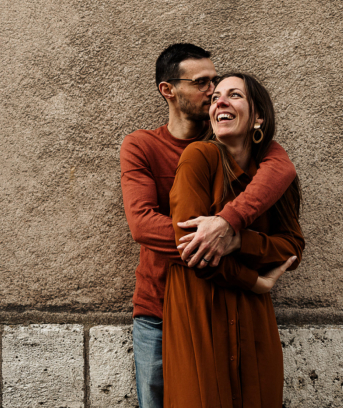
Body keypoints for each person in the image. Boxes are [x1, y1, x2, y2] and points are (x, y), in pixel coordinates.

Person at [120, 44, 298, 408]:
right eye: (204, 84)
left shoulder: (238, 145)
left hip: (223, 303)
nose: (212, 93)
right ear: (168, 90)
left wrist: (229, 228)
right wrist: (211, 245)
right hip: (158, 306)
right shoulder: (143, 145)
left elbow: (282, 171)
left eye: (218, 84)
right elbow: (142, 225)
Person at [163, 73, 304, 408]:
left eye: (234, 95)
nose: (220, 102)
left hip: (254, 323)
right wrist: (254, 281)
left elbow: (293, 246)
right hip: (199, 310)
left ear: (258, 117)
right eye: (215, 98)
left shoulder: (271, 175)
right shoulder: (199, 157)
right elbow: (192, 252)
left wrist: (240, 242)